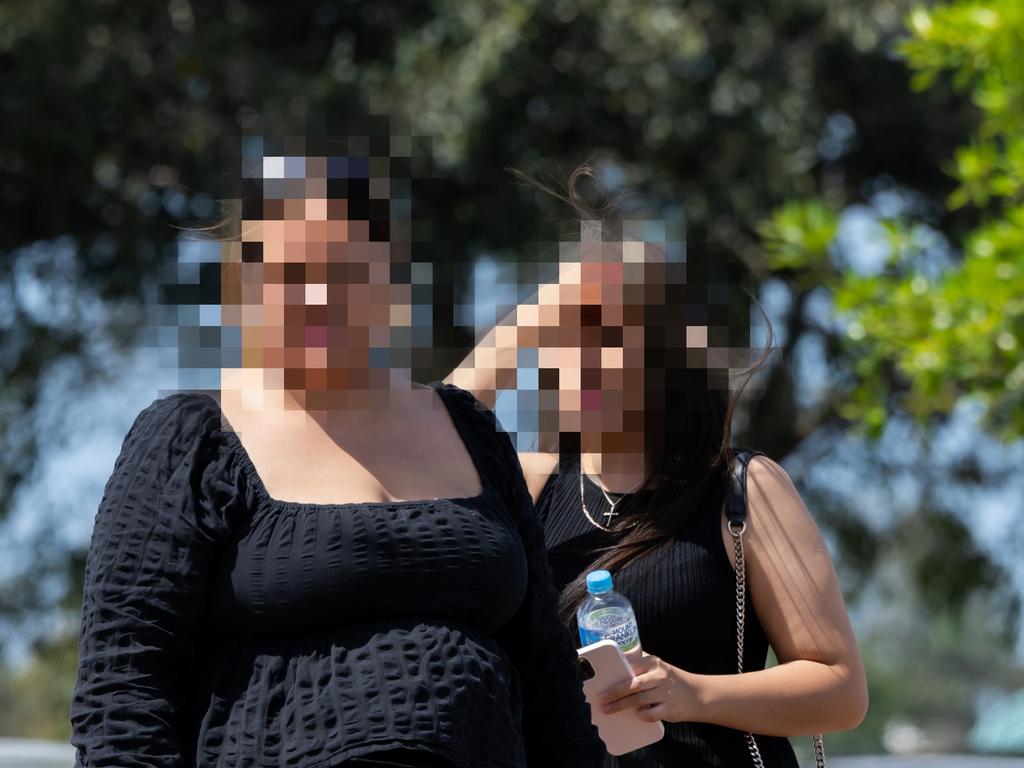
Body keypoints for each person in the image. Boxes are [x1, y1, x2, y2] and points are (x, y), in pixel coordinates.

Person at [69, 134, 606, 768]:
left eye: (342, 270)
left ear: (390, 270)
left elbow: (550, 689)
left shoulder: (472, 433)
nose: (318, 297)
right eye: (291, 274)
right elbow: (121, 701)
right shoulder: (192, 442)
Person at [446, 164, 869, 767]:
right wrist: (531, 319)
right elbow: (431, 443)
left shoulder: (742, 488)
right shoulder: (530, 485)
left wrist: (692, 693)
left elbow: (841, 689)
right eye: (566, 336)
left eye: (610, 337)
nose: (582, 359)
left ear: (664, 359)